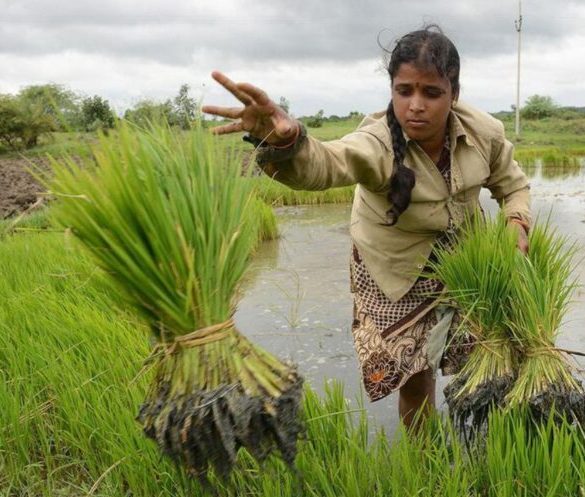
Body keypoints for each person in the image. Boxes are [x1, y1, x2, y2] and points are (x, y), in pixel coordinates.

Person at [202, 25, 530, 430]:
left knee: (485, 355)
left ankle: (484, 440)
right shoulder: (375, 142)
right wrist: (287, 141)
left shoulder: (485, 134)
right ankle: (423, 458)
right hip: (393, 266)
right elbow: (328, 163)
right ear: (391, 89)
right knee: (414, 376)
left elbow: (512, 185)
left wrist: (516, 222)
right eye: (404, 90)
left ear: (454, 94)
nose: (415, 105)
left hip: (465, 259)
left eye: (432, 93)